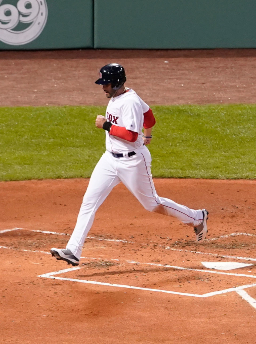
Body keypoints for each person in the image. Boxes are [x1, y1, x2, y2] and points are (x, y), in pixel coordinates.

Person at [50, 64, 209, 267]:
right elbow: (150, 116)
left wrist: (106, 125)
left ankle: (197, 217)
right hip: (109, 160)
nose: (102, 87)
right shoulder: (124, 96)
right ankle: (73, 250)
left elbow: (132, 135)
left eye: (105, 83)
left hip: (133, 162)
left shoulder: (130, 102)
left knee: (152, 204)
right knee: (89, 202)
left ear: (116, 82)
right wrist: (149, 133)